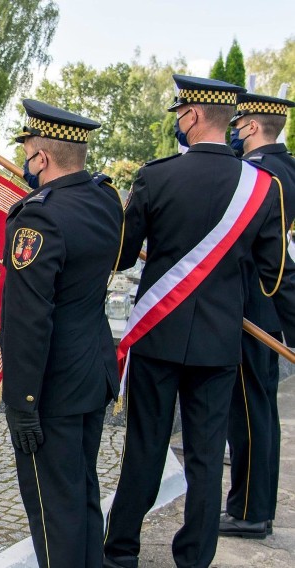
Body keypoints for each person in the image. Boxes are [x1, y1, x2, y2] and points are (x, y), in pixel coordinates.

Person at [103, 75, 295, 568]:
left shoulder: (156, 176)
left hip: (157, 334)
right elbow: (273, 276)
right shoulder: (262, 187)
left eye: (179, 115)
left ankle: (121, 550)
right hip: (218, 343)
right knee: (208, 457)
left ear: (190, 116)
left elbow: (122, 256)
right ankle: (193, 559)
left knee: (145, 446)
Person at [1, 99, 123, 567]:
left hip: (52, 385)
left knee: (56, 512)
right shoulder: (104, 199)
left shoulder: (37, 217)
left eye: (28, 152)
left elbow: (30, 318)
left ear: (41, 158)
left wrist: (23, 403)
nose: (25, 163)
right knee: (82, 493)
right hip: (93, 372)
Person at [220, 93, 295, 539]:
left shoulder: (262, 174)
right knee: (261, 408)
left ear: (250, 127)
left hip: (252, 301)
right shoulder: (288, 168)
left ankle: (249, 511)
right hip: (268, 305)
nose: (233, 130)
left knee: (248, 412)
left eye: (238, 124)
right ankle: (257, 505)